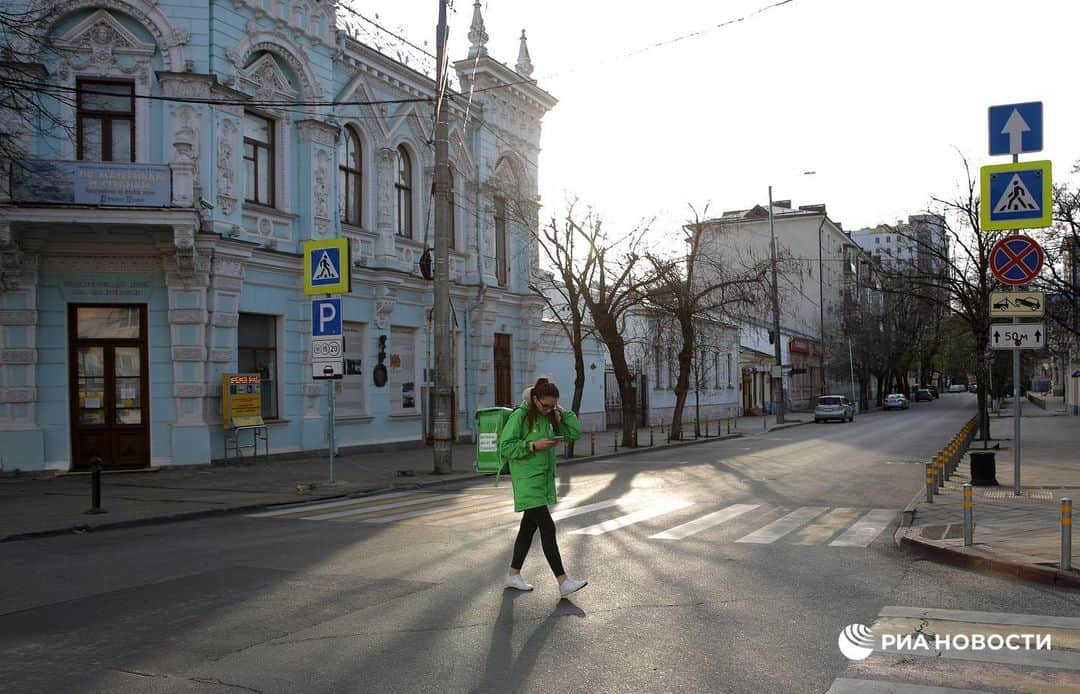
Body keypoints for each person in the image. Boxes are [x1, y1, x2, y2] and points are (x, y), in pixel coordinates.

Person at [497, 376, 588, 598]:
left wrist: (562, 412)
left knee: (527, 529)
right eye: (545, 405)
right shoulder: (520, 416)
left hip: (542, 480)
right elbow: (506, 446)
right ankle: (563, 581)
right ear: (535, 399)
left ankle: (513, 574)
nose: (548, 409)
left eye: (552, 405)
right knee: (548, 528)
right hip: (527, 481)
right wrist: (532, 445)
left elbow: (573, 434)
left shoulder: (550, 416)